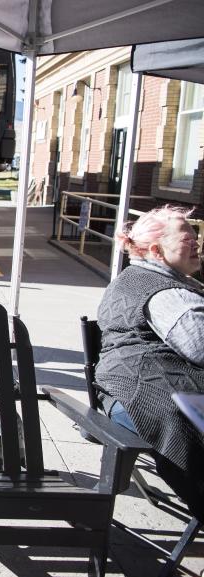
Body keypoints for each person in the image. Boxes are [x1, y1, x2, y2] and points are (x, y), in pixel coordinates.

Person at [96, 205, 204, 519]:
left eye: (195, 234)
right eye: (187, 237)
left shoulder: (135, 277)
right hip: (145, 400)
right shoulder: (170, 296)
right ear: (156, 250)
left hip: (123, 393)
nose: (196, 242)